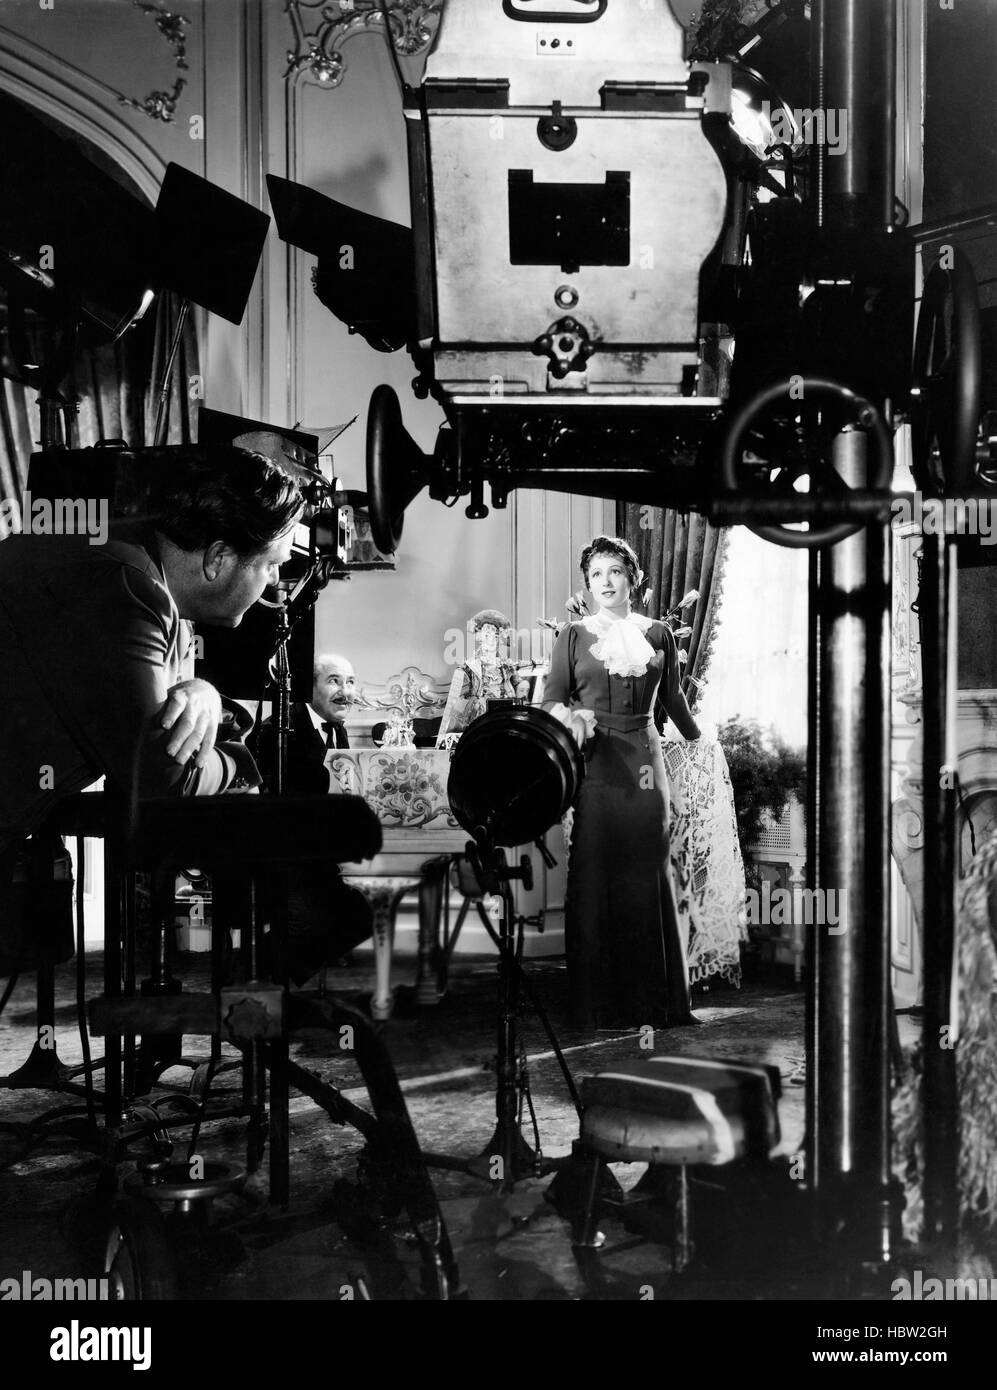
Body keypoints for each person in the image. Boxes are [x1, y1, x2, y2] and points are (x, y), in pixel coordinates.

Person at [0, 446, 304, 858]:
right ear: (218, 558)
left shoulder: (135, 567)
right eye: (271, 564)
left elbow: (162, 721)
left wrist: (206, 695)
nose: (273, 581)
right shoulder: (126, 589)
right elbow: (167, 780)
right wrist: (241, 763)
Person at [543, 535, 702, 1029]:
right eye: (596, 575)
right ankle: (595, 1005)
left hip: (645, 760)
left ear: (633, 578)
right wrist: (574, 720)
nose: (606, 582)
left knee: (646, 868)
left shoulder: (659, 633)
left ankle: (653, 1003)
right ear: (588, 585)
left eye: (615, 571)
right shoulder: (572, 635)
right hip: (595, 763)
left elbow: (673, 699)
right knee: (593, 869)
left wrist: (701, 740)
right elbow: (552, 699)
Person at [255, 652, 358, 796]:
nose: (345, 692)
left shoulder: (339, 729)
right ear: (310, 686)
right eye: (334, 681)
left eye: (350, 682)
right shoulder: (276, 729)